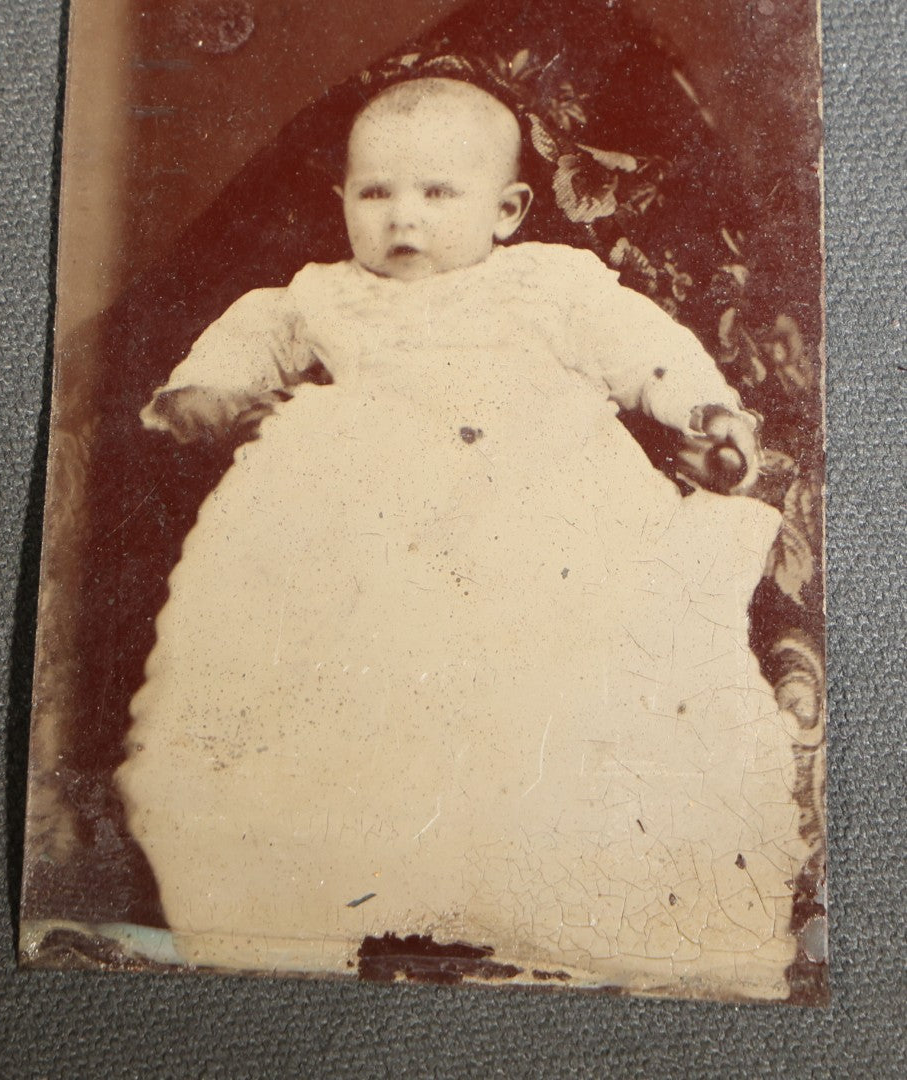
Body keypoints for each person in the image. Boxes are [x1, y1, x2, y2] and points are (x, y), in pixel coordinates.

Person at [117, 77, 811, 998]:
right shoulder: (320, 294)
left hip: (538, 511)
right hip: (357, 523)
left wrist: (704, 411)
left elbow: (638, 342)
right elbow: (248, 345)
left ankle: (528, 901)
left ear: (508, 210)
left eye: (437, 193)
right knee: (335, 700)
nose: (403, 218)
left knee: (556, 694)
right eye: (374, 193)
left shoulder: (548, 282)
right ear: (342, 203)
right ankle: (357, 898)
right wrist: (209, 398)